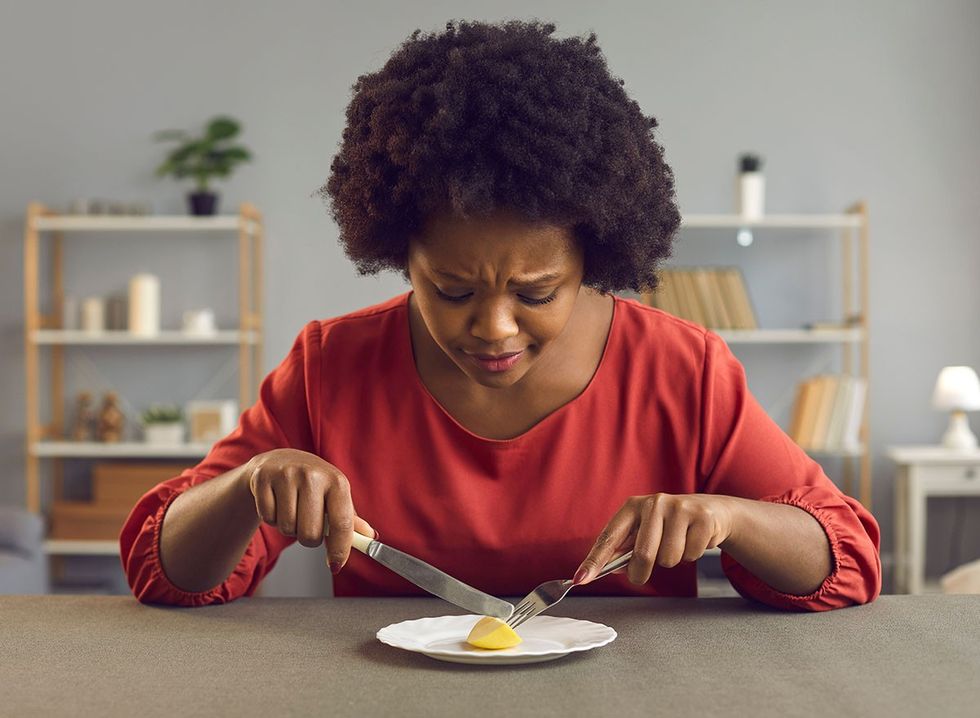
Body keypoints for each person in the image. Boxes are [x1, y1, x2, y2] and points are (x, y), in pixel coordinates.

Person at [120, 20, 880, 610]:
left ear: (595, 259)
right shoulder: (332, 367)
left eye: (536, 292)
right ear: (398, 252)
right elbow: (166, 573)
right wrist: (247, 484)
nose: (493, 328)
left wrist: (729, 521)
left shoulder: (682, 372)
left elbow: (845, 560)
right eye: (451, 291)